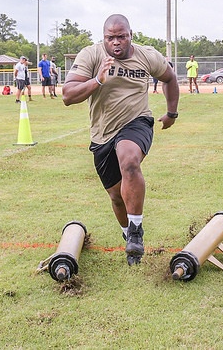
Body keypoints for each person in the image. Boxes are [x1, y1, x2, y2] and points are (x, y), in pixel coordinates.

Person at [62, 14, 179, 266]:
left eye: (121, 36)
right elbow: (68, 95)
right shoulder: (91, 56)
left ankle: (136, 229)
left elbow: (169, 78)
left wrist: (171, 112)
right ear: (103, 37)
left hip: (137, 123)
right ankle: (129, 237)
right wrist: (97, 80)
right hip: (102, 134)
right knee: (116, 196)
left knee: (129, 161)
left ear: (130, 35)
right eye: (110, 37)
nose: (116, 42)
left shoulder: (147, 56)